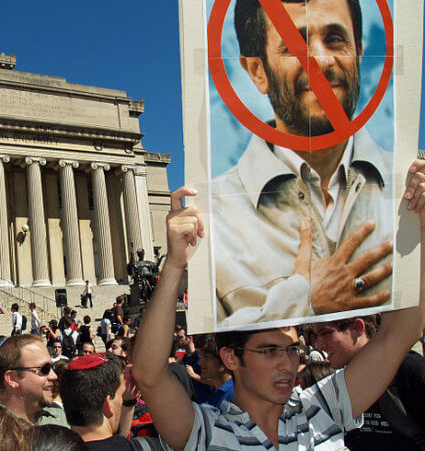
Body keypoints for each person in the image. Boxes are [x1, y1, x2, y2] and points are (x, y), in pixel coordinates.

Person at [132, 177, 425, 450]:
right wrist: (173, 265)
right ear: (231, 357)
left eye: (293, 349)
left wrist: (420, 225)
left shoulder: (322, 407)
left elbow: (400, 334)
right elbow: (149, 374)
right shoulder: (207, 431)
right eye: (270, 351)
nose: (288, 363)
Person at [211, 0, 394, 327]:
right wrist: (304, 302)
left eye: (335, 39)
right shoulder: (214, 219)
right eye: (295, 45)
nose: (321, 61)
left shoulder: (405, 192)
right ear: (257, 71)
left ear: (360, 52)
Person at [312, 316, 425, 449]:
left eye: (326, 333)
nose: (318, 344)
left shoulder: (408, 369)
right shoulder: (336, 386)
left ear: (357, 328)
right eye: (316, 336)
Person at [60, 353, 161, 450]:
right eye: (121, 395)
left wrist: (128, 401)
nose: (122, 401)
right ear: (107, 405)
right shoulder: (149, 447)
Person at [0, 334, 58, 424]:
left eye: (52, 367)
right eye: (45, 369)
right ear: (12, 378)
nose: (54, 376)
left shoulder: (64, 421)